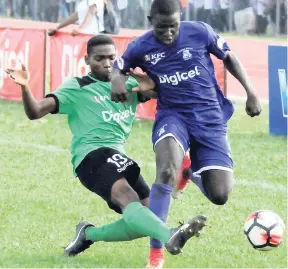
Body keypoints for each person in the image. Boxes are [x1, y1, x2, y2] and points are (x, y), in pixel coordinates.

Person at [5, 34, 207, 262]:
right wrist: (24, 87)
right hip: (90, 156)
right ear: (87, 60)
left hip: (117, 157)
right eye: (99, 58)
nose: (107, 63)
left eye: (111, 57)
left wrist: (146, 77)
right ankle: (170, 235)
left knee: (149, 216)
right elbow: (36, 111)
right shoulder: (78, 86)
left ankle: (89, 234)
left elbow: (161, 88)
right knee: (128, 199)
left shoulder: (127, 83)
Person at [111, 0, 262, 267]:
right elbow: (118, 67)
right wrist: (118, 81)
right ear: (150, 20)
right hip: (173, 116)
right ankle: (156, 254)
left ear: (181, 19)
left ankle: (190, 172)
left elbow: (229, 57)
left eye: (173, 27)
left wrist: (251, 93)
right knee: (166, 170)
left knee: (220, 195)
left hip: (210, 119)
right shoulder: (140, 46)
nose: (168, 33)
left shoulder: (200, 31)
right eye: (161, 28)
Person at [48, 0, 119, 36]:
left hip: (103, 37)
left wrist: (80, 29)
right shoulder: (85, 3)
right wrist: (58, 27)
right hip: (95, 38)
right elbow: (75, 16)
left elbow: (91, 12)